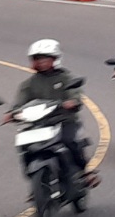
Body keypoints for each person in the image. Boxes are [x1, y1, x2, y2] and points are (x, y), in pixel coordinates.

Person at [10, 39, 94, 181]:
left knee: (70, 142)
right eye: (37, 59)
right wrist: (12, 113)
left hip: (65, 120)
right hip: (39, 123)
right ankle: (35, 182)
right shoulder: (29, 83)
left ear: (55, 59)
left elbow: (75, 93)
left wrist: (72, 102)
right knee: (25, 146)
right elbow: (19, 101)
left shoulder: (66, 77)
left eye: (45, 59)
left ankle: (85, 172)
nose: (41, 62)